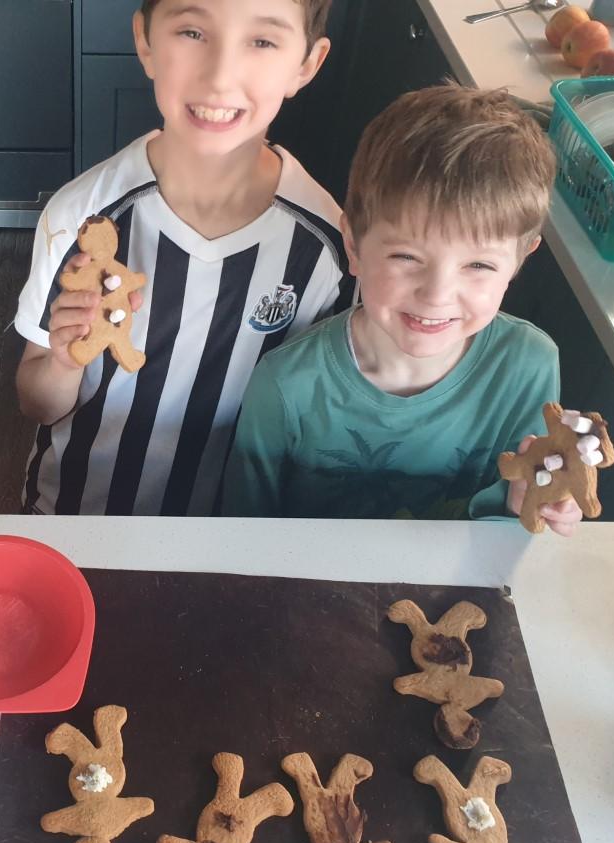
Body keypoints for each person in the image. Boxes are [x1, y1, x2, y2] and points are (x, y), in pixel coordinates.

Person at [13, 0, 353, 515]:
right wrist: (64, 361)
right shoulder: (81, 217)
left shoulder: (328, 248)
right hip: (78, 516)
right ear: (146, 41)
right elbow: (36, 402)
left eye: (262, 41)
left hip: (234, 532)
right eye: (193, 32)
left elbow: (321, 420)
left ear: (306, 64)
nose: (220, 76)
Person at [224, 83, 582, 535]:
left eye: (478, 265)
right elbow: (240, 537)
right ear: (354, 245)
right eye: (407, 257)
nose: (436, 294)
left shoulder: (527, 366)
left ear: (519, 260)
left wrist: (535, 504)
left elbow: (515, 518)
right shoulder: (284, 386)